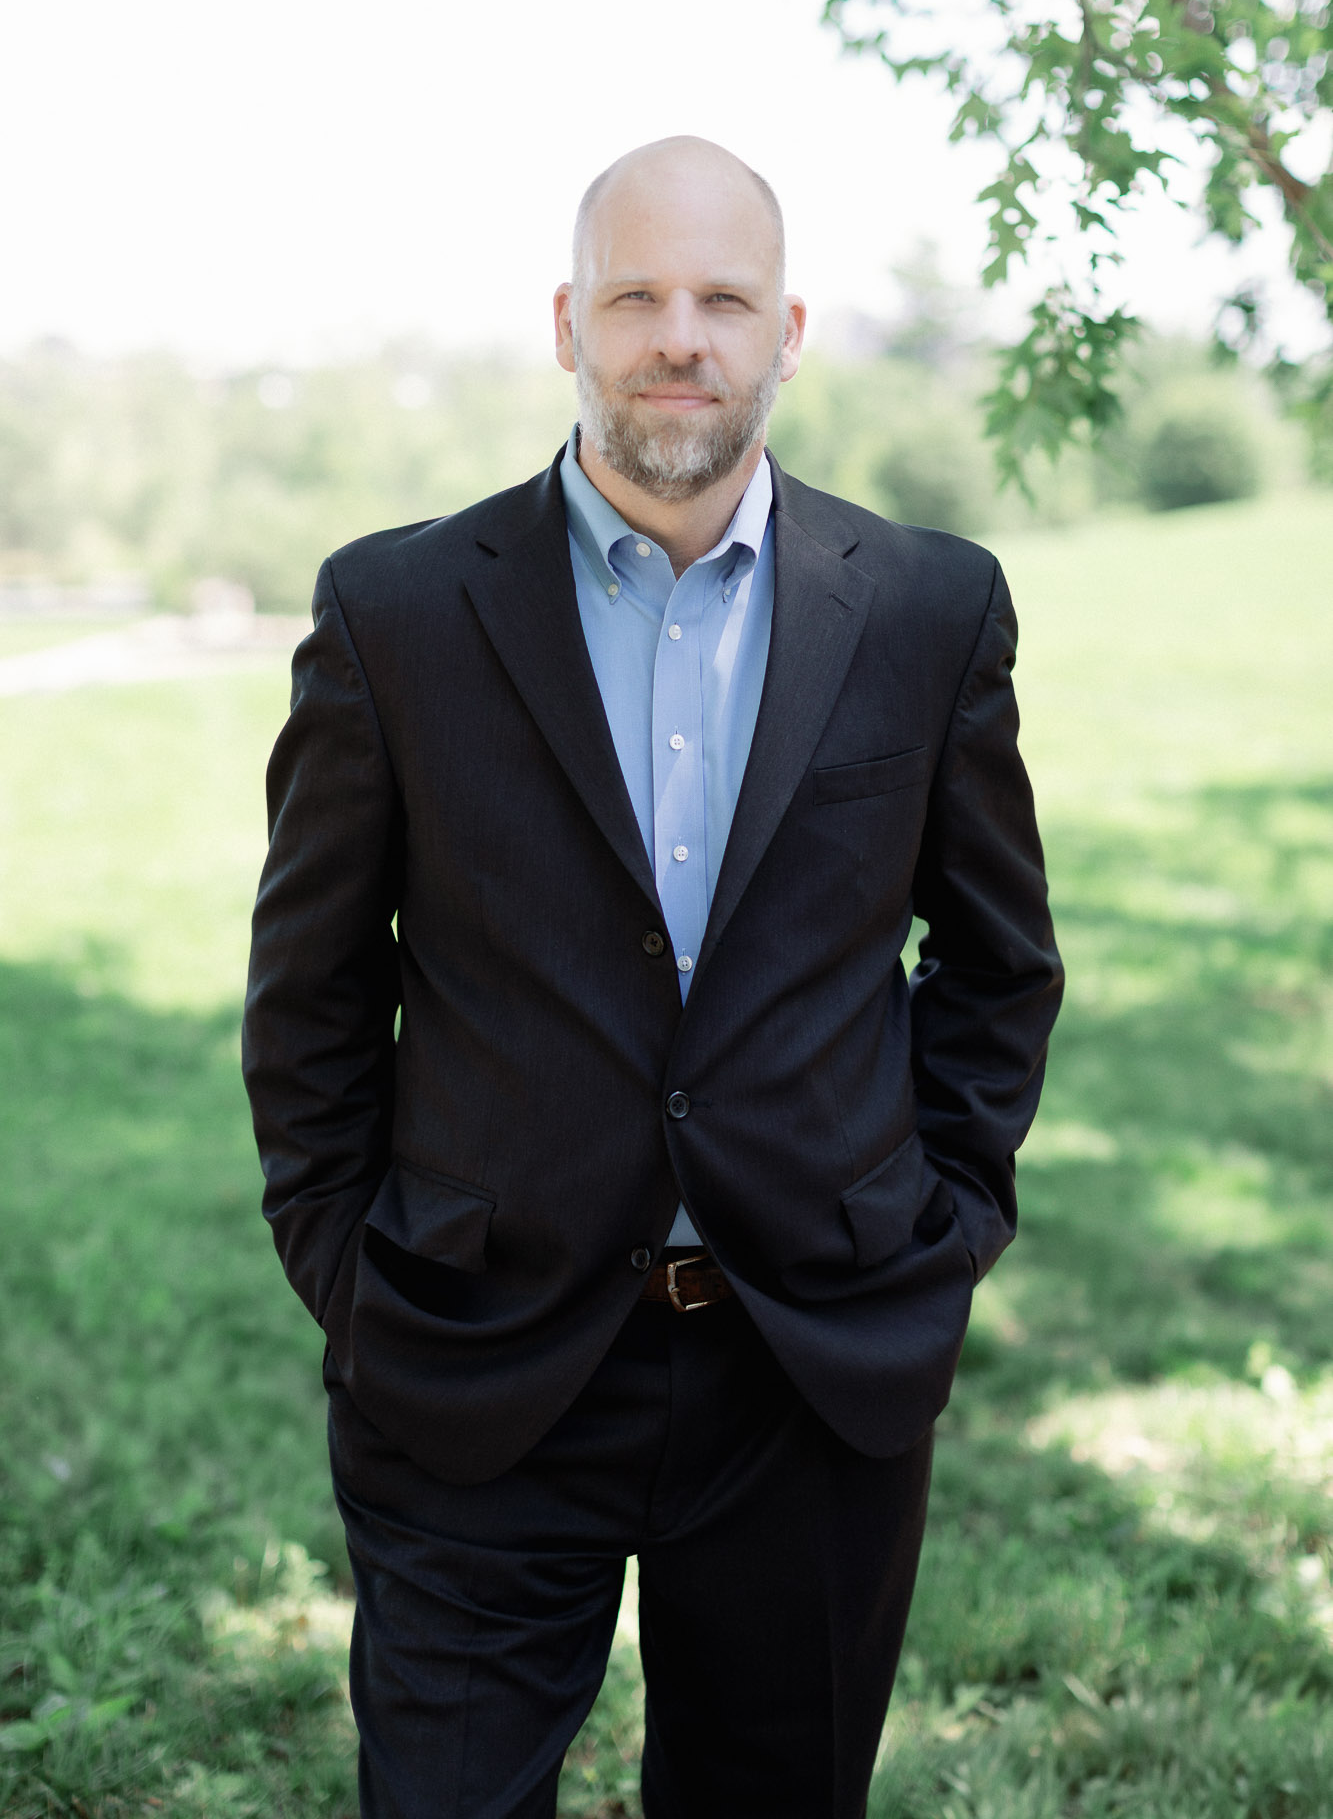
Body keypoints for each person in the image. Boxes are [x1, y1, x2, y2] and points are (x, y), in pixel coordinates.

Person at [243, 135, 1063, 1819]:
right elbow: (311, 989)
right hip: (474, 1356)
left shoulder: (924, 608)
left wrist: (945, 1223)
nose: (678, 335)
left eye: (721, 299)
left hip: (812, 1360)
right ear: (567, 322)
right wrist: (352, 1270)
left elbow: (994, 957)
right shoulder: (394, 611)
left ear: (788, 330)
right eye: (636, 295)